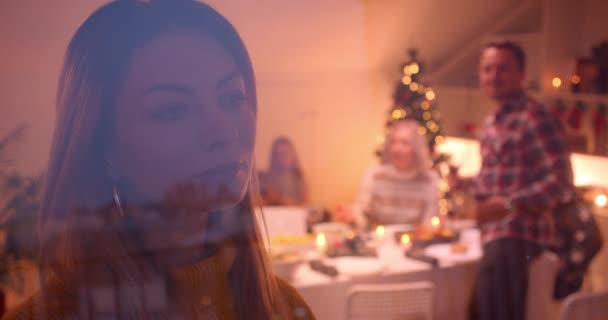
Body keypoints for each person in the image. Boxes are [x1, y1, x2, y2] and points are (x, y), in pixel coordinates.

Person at [3, 1, 314, 319]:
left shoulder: (285, 307)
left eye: (232, 98)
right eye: (173, 110)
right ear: (102, 144)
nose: (223, 132)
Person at [449, 41, 576, 320]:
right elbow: (496, 179)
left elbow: (559, 184)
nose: (493, 76)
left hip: (519, 235)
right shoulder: (494, 121)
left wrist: (506, 205)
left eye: (502, 69)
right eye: (487, 69)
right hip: (491, 234)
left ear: (521, 73)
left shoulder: (536, 116)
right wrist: (466, 184)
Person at [337, 120, 439, 230]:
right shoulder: (375, 175)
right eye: (393, 142)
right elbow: (362, 213)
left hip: (415, 243)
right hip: (380, 242)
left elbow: (428, 223)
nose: (396, 149)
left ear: (417, 148)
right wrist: (353, 217)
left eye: (404, 143)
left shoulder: (429, 179)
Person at [259, 137, 309, 207]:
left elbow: (305, 204)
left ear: (293, 154)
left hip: (295, 214)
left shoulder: (299, 177)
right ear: (274, 157)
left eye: (286, 152)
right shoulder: (266, 178)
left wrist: (280, 200)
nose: (284, 156)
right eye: (280, 153)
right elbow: (260, 202)